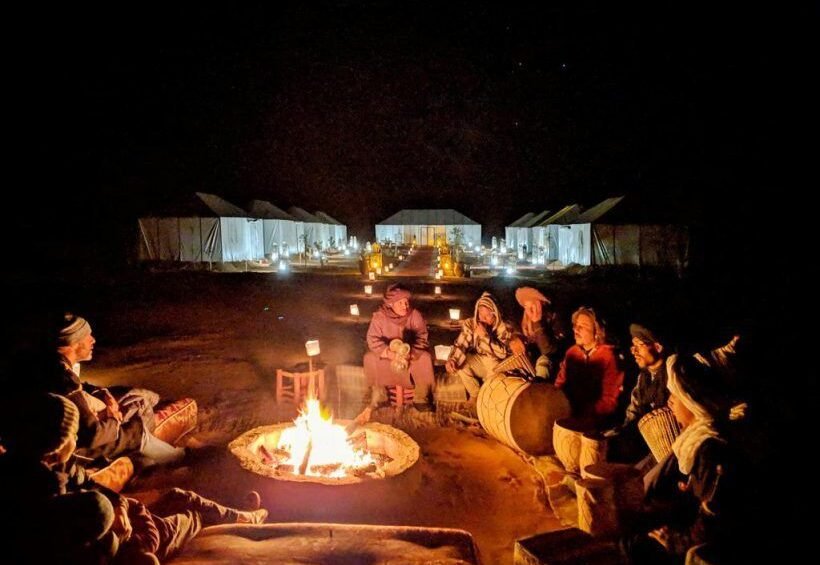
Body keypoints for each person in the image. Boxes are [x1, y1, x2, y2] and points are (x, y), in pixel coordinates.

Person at [0, 393, 267, 565]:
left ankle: (244, 516)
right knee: (190, 514)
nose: (76, 440)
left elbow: (86, 481)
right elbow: (125, 551)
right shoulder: (68, 508)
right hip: (136, 543)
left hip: (120, 525)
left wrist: (119, 503)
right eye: (72, 435)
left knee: (177, 495)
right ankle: (242, 519)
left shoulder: (39, 465)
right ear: (58, 445)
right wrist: (130, 513)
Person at [622, 354, 752, 564]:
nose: (669, 402)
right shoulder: (692, 440)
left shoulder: (710, 448)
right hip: (691, 527)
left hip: (716, 545)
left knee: (637, 545)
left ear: (692, 401)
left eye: (675, 395)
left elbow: (712, 523)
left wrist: (675, 541)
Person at [43, 312, 185, 468]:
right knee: (136, 429)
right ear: (73, 342)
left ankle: (146, 454)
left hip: (83, 426)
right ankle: (179, 459)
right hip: (74, 448)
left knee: (141, 398)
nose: (93, 340)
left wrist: (101, 393)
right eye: (88, 336)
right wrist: (113, 418)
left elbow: (80, 388)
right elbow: (92, 434)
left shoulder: (54, 364)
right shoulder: (63, 380)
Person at [362, 284, 435, 412]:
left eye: (406, 302)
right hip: (388, 354)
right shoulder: (379, 317)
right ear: (391, 304)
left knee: (425, 359)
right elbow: (372, 339)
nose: (405, 306)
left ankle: (421, 397)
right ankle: (380, 396)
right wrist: (388, 353)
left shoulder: (414, 315)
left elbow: (422, 336)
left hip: (409, 353)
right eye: (400, 303)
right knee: (369, 358)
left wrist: (412, 353)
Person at [606, 323, 672, 463]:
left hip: (664, 449)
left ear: (658, 347)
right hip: (642, 441)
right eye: (633, 346)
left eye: (640, 345)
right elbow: (634, 411)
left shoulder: (672, 375)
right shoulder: (643, 377)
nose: (634, 351)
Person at [446, 291, 521, 404]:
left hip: (498, 364)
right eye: (481, 314)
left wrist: (485, 337)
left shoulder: (504, 327)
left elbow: (502, 354)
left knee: (492, 377)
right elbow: (461, 344)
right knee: (462, 364)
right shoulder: (472, 324)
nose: (483, 318)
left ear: (495, 313)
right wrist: (453, 359)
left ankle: (486, 399)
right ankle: (475, 394)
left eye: (487, 315)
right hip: (480, 360)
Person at [554, 306, 624, 427]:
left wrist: (583, 414)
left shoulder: (608, 356)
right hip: (569, 413)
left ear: (596, 331)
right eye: (576, 325)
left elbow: (610, 400)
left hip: (597, 421)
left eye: (583, 326)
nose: (576, 329)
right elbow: (560, 385)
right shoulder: (572, 353)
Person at [514, 286, 565, 379]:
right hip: (532, 362)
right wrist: (514, 340)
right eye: (526, 307)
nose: (529, 311)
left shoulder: (554, 319)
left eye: (532, 306)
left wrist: (538, 323)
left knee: (543, 361)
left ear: (540, 304)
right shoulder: (524, 323)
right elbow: (516, 334)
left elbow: (548, 352)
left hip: (552, 365)